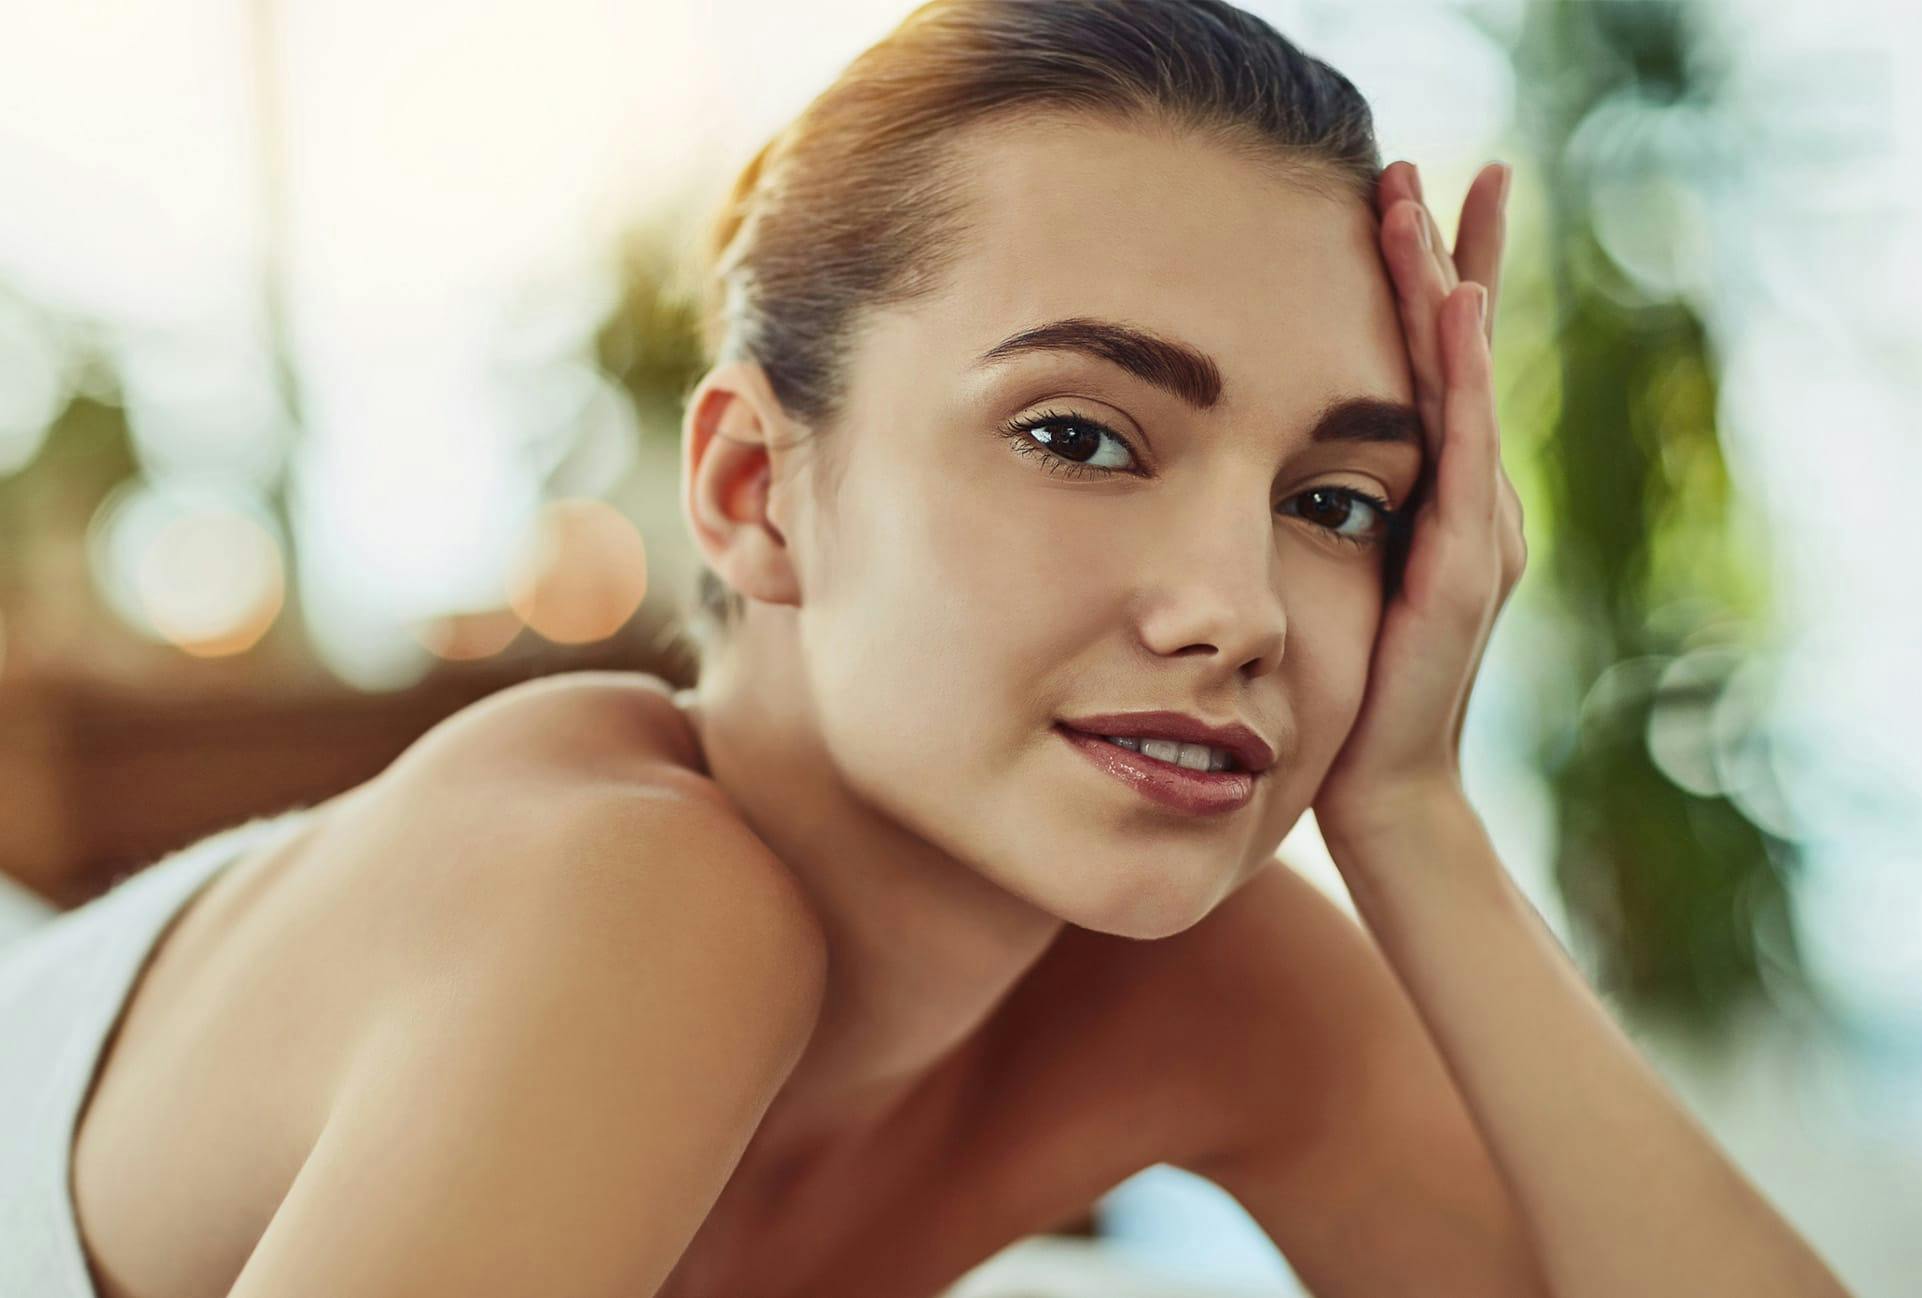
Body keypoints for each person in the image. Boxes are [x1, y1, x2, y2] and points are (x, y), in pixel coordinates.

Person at [0, 2, 1854, 1296]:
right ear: (750, 486)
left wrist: (1414, 815)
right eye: (1079, 434)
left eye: (1337, 500)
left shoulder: (1205, 988)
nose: (1237, 604)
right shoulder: (634, 894)